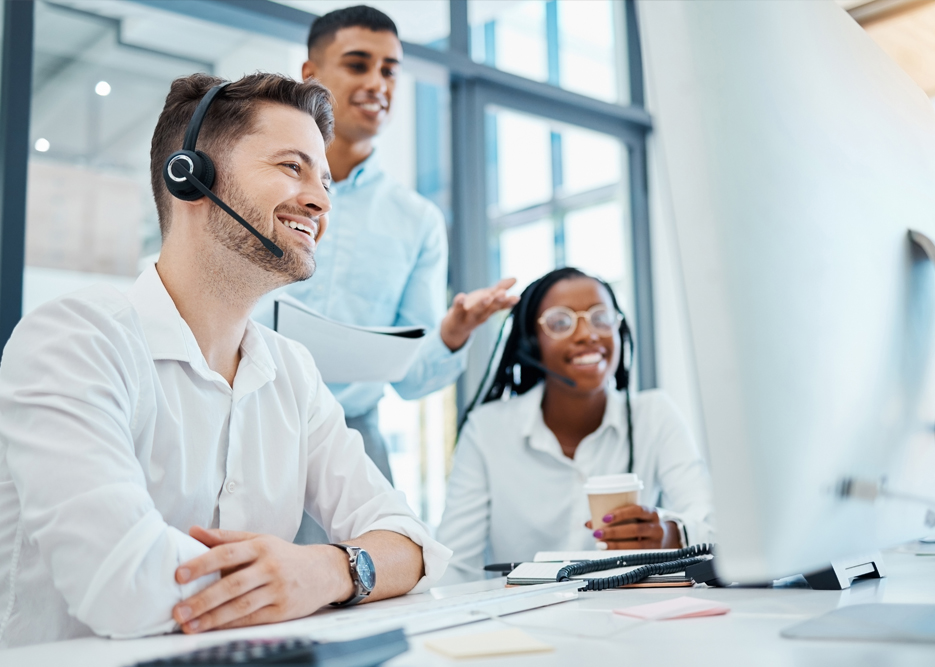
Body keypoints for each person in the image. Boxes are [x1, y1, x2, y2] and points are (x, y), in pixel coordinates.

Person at [0, 72, 449, 648]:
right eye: (293, 167)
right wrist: (321, 573)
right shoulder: (75, 341)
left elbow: (413, 544)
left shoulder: (292, 371)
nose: (320, 199)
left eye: (326, 181)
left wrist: (323, 570)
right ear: (190, 177)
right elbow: (125, 586)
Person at [283, 5, 517, 492]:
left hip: (352, 438)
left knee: (376, 567)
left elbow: (411, 380)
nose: (378, 83)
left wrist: (453, 333)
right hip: (244, 417)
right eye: (357, 64)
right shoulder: (258, 182)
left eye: (390, 70)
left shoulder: (417, 221)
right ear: (310, 75)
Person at [436, 268, 714, 584]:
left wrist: (671, 535)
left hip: (627, 617)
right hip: (523, 620)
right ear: (531, 342)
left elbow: (713, 525)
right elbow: (455, 567)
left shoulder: (654, 415)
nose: (587, 334)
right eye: (560, 323)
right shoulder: (487, 431)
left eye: (601, 318)